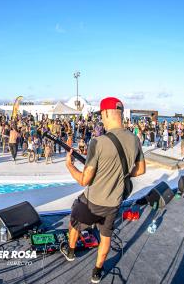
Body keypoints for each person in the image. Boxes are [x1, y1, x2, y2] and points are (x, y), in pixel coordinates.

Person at [61, 97, 146, 283]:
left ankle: (70, 251)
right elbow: (140, 170)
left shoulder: (98, 142)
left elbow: (84, 180)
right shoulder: (134, 139)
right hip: (114, 203)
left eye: (101, 115)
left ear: (106, 113)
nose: (102, 119)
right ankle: (97, 272)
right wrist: (119, 174)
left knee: (74, 220)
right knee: (105, 235)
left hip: (93, 202)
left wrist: (69, 166)